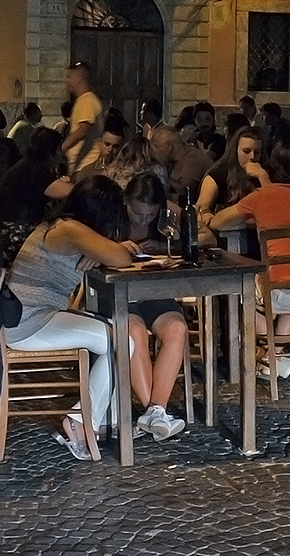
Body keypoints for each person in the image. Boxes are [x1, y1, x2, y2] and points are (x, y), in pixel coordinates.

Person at [2, 176, 140, 459]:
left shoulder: (62, 226)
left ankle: (102, 421)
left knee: (118, 337)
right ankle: (79, 424)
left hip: (31, 316)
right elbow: (122, 258)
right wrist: (109, 250)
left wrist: (99, 251)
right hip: (28, 322)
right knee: (120, 342)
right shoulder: (70, 230)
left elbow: (111, 252)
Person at [208, 139, 290, 376]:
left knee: (242, 286)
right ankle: (274, 354)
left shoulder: (263, 196)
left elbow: (218, 222)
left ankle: (269, 354)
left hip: (278, 292)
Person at [111, 173, 189, 440]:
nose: (143, 220)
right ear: (125, 202)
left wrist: (169, 245)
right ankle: (155, 413)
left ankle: (152, 414)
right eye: (137, 213)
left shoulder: (164, 220)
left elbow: (203, 235)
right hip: (120, 295)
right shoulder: (112, 219)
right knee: (134, 332)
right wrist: (115, 248)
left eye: (149, 215)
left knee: (177, 329)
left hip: (154, 292)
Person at [195, 126, 267, 215]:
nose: (252, 157)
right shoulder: (219, 174)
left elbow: (275, 206)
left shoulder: (265, 171)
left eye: (256, 152)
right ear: (236, 150)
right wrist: (206, 213)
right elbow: (202, 206)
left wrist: (263, 177)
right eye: (246, 151)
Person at [149, 125, 213, 205]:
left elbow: (183, 189)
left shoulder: (193, 158)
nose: (152, 150)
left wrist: (158, 176)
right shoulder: (170, 161)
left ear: (169, 146)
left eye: (156, 146)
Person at [62, 63, 105, 177]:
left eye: (69, 77)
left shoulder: (87, 101)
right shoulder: (84, 100)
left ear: (80, 79)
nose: (66, 81)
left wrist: (61, 148)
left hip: (85, 165)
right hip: (82, 165)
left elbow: (82, 131)